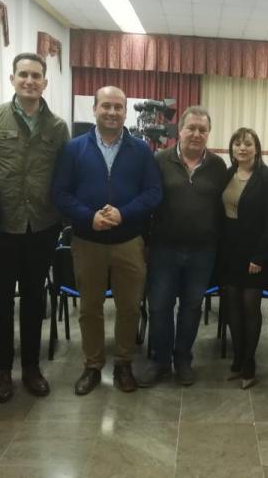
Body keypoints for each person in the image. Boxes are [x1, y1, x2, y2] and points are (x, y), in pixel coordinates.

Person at [0, 52, 70, 402]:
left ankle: (30, 367)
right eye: (23, 75)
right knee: (0, 301)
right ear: (12, 79)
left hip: (42, 226)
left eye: (36, 75)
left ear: (45, 82)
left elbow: (62, 175)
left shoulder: (57, 127)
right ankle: (1, 370)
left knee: (33, 299)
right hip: (2, 227)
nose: (30, 81)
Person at [52, 86, 162, 395]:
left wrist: (123, 214)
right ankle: (92, 365)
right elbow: (59, 193)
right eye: (106, 106)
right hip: (88, 242)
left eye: (118, 107)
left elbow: (154, 193)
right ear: (95, 109)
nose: (112, 112)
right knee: (90, 308)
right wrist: (89, 217)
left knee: (129, 307)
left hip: (129, 241)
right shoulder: (74, 149)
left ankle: (124, 363)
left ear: (126, 112)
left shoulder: (141, 149)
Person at [140, 106, 228, 387]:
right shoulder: (159, 160)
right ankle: (160, 361)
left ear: (208, 133)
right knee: (160, 307)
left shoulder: (217, 166)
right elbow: (148, 203)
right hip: (164, 249)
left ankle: (183, 359)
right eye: (191, 128)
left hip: (203, 252)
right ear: (180, 131)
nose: (197, 134)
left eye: (203, 130)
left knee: (191, 308)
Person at [218, 127, 268, 389]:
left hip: (255, 250)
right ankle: (238, 357)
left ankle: (250, 362)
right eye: (237, 144)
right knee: (231, 305)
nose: (242, 148)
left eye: (248, 144)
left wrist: (260, 255)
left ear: (257, 148)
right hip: (229, 249)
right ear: (232, 148)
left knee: (250, 306)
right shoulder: (227, 173)